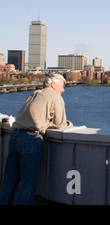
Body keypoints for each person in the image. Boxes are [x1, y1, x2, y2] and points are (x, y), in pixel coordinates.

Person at [0, 74, 73, 205]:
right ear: (53, 85)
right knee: (27, 185)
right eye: (62, 86)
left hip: (15, 136)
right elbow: (60, 124)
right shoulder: (56, 97)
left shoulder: (35, 93)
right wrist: (68, 124)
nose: (63, 90)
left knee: (9, 181)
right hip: (30, 139)